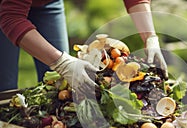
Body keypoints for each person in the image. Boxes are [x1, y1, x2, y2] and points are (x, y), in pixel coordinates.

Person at [0, 0, 168, 95]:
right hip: (6, 8)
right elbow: (11, 17)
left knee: (60, 86)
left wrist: (150, 38)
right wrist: (62, 63)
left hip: (47, 3)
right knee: (5, 90)